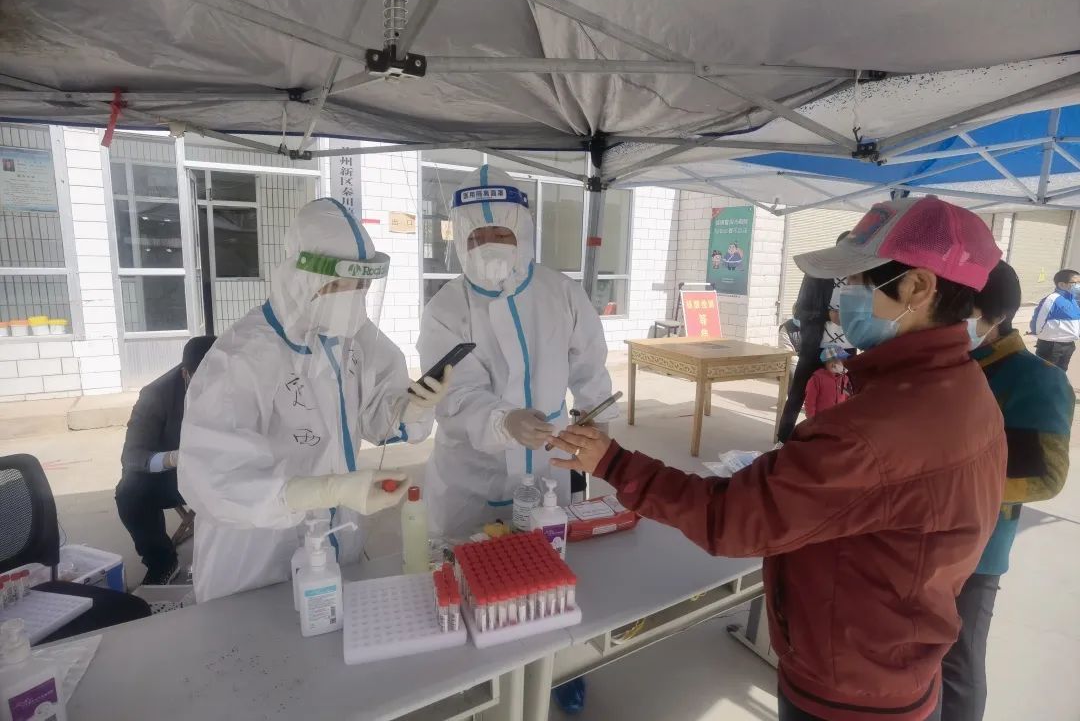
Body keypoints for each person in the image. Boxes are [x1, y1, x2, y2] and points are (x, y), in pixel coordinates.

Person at [548, 196, 1006, 721]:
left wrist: (613, 463)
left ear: (919, 287)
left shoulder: (875, 430)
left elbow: (732, 518)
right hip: (900, 658)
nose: (844, 297)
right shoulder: (965, 388)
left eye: (858, 281)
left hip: (849, 688)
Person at [179, 198, 450, 603]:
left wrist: (411, 408)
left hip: (339, 541)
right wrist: (328, 490)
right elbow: (215, 480)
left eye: (361, 287)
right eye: (339, 285)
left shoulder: (352, 338)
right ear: (301, 278)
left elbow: (376, 416)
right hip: (256, 561)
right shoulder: (242, 357)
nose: (352, 298)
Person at [417, 165, 616, 540]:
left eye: (501, 233)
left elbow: (589, 362)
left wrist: (596, 417)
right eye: (477, 236)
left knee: (549, 549)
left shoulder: (560, 292)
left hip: (549, 456)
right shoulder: (446, 309)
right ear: (460, 239)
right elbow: (454, 394)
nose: (489, 244)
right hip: (474, 469)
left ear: (522, 232)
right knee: (469, 557)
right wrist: (502, 423)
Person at [941, 261, 1073, 720]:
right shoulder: (950, 366)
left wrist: (946, 488)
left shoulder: (1036, 379)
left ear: (994, 315)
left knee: (958, 661)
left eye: (956, 310)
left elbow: (1045, 476)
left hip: (977, 550)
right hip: (919, 538)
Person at [115, 335, 216, 585]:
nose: (212, 388)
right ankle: (162, 561)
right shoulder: (156, 395)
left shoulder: (239, 380)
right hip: (177, 475)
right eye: (203, 382)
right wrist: (172, 459)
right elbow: (132, 455)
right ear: (185, 374)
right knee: (130, 491)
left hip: (225, 468)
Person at [776, 232, 854, 442]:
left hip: (848, 347)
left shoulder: (861, 275)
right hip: (816, 345)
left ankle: (837, 440)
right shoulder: (817, 273)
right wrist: (829, 315)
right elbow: (801, 310)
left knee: (845, 395)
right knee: (797, 394)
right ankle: (783, 441)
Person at [1029, 268, 1080, 371]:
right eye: (1076, 283)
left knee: (1061, 373)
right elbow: (1038, 320)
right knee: (1046, 373)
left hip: (1069, 344)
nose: (1078, 286)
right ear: (1061, 284)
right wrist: (1040, 335)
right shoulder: (1052, 299)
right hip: (1052, 346)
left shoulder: (1073, 300)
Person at [802, 345, 850, 418]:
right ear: (825, 363)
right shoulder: (816, 378)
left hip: (839, 418)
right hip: (821, 419)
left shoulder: (845, 378)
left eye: (838, 360)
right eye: (830, 361)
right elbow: (810, 401)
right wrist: (811, 419)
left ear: (843, 363)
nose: (834, 363)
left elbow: (846, 396)